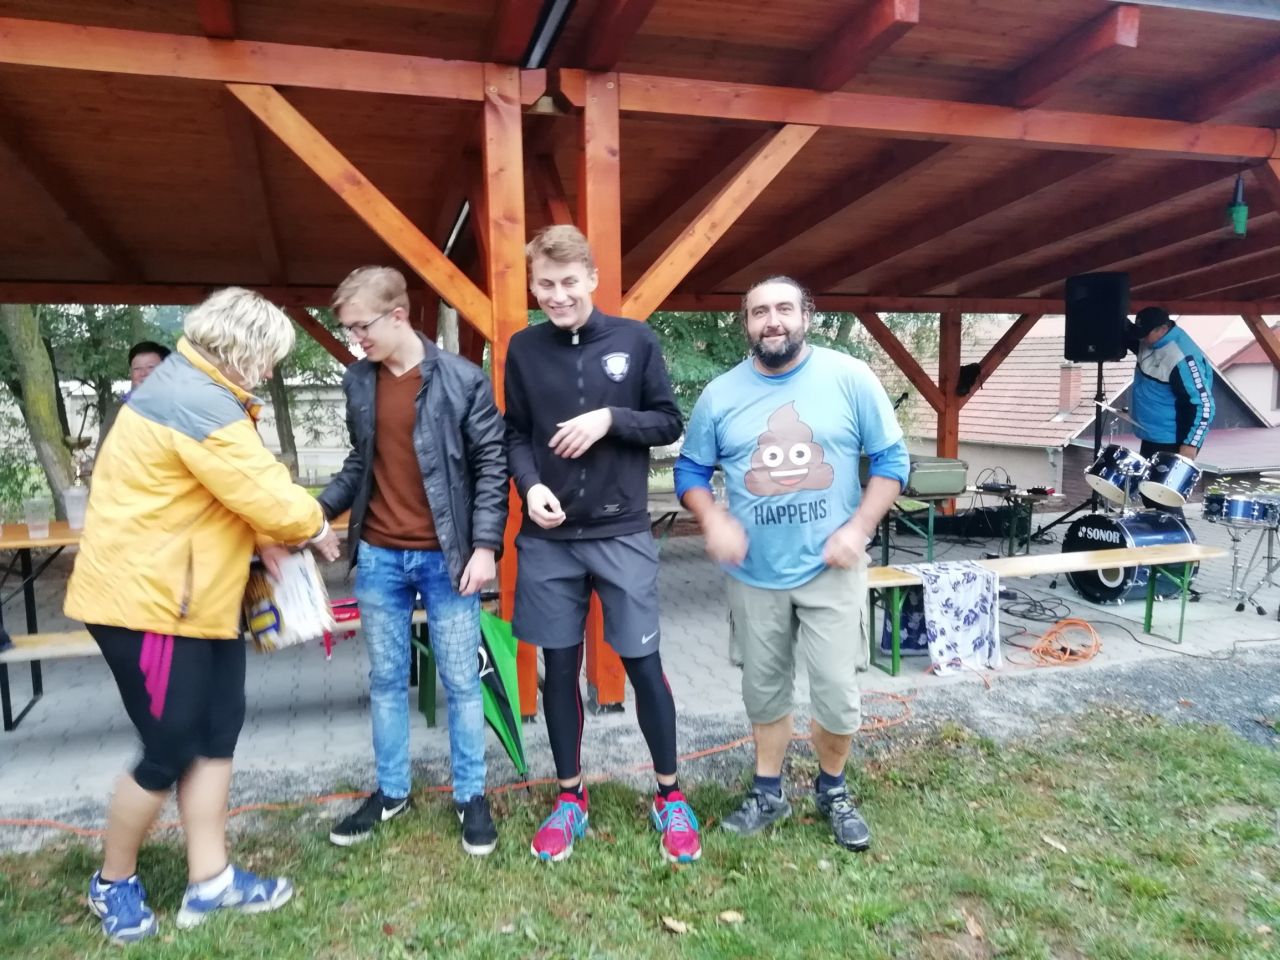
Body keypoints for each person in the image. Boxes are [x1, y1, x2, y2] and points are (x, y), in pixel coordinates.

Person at [64, 288, 342, 943]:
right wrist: (312, 526)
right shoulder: (195, 398)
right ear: (240, 349)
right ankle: (112, 881)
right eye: (266, 358)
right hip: (149, 605)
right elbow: (264, 491)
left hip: (201, 600)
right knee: (169, 745)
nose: (268, 371)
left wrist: (266, 540)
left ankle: (211, 880)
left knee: (217, 731)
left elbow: (221, 492)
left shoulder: (204, 392)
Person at [674, 276, 909, 852]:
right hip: (753, 574)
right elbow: (690, 471)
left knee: (837, 693)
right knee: (764, 692)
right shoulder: (720, 395)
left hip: (833, 569)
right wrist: (712, 519)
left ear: (807, 315)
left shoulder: (849, 378)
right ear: (746, 324)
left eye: (783, 308)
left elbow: (892, 460)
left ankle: (833, 790)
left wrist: (859, 528)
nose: (772, 320)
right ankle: (768, 792)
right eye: (759, 312)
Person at [504, 225, 699, 864]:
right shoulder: (524, 348)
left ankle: (669, 795)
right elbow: (515, 435)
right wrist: (530, 487)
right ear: (533, 285)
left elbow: (668, 423)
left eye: (568, 282)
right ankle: (570, 797)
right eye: (545, 285)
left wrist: (610, 419)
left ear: (591, 277)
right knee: (559, 669)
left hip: (621, 532)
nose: (557, 295)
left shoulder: (635, 340)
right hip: (550, 538)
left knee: (643, 665)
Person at [320, 266, 508, 856]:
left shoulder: (461, 379)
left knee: (461, 681)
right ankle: (392, 791)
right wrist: (315, 513)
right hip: (378, 556)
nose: (356, 340)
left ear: (398, 315)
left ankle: (471, 795)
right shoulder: (358, 380)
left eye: (361, 327)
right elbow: (360, 463)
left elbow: (492, 466)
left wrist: (485, 547)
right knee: (385, 681)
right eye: (349, 330)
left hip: (448, 559)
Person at [1128, 307, 1214, 510]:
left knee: (1164, 500)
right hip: (1153, 433)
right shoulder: (1152, 340)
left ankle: (1177, 531)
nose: (1142, 339)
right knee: (1149, 496)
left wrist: (1190, 444)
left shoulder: (1183, 358)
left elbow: (1204, 405)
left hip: (1173, 438)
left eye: (1146, 334)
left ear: (1163, 329)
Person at [97, 341, 172, 442]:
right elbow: (103, 450)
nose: (144, 373)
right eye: (137, 369)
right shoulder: (117, 410)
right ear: (131, 373)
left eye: (151, 367)